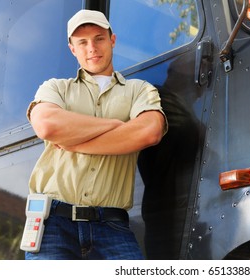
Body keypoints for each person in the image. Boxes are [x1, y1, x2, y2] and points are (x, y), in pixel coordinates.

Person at [25, 9, 167, 260]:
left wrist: (74, 142)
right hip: (53, 224)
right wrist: (116, 124)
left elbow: (149, 131)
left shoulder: (139, 90)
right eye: (82, 42)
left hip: (112, 225)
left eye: (99, 38)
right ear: (72, 48)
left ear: (112, 40)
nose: (92, 47)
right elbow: (48, 125)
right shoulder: (55, 87)